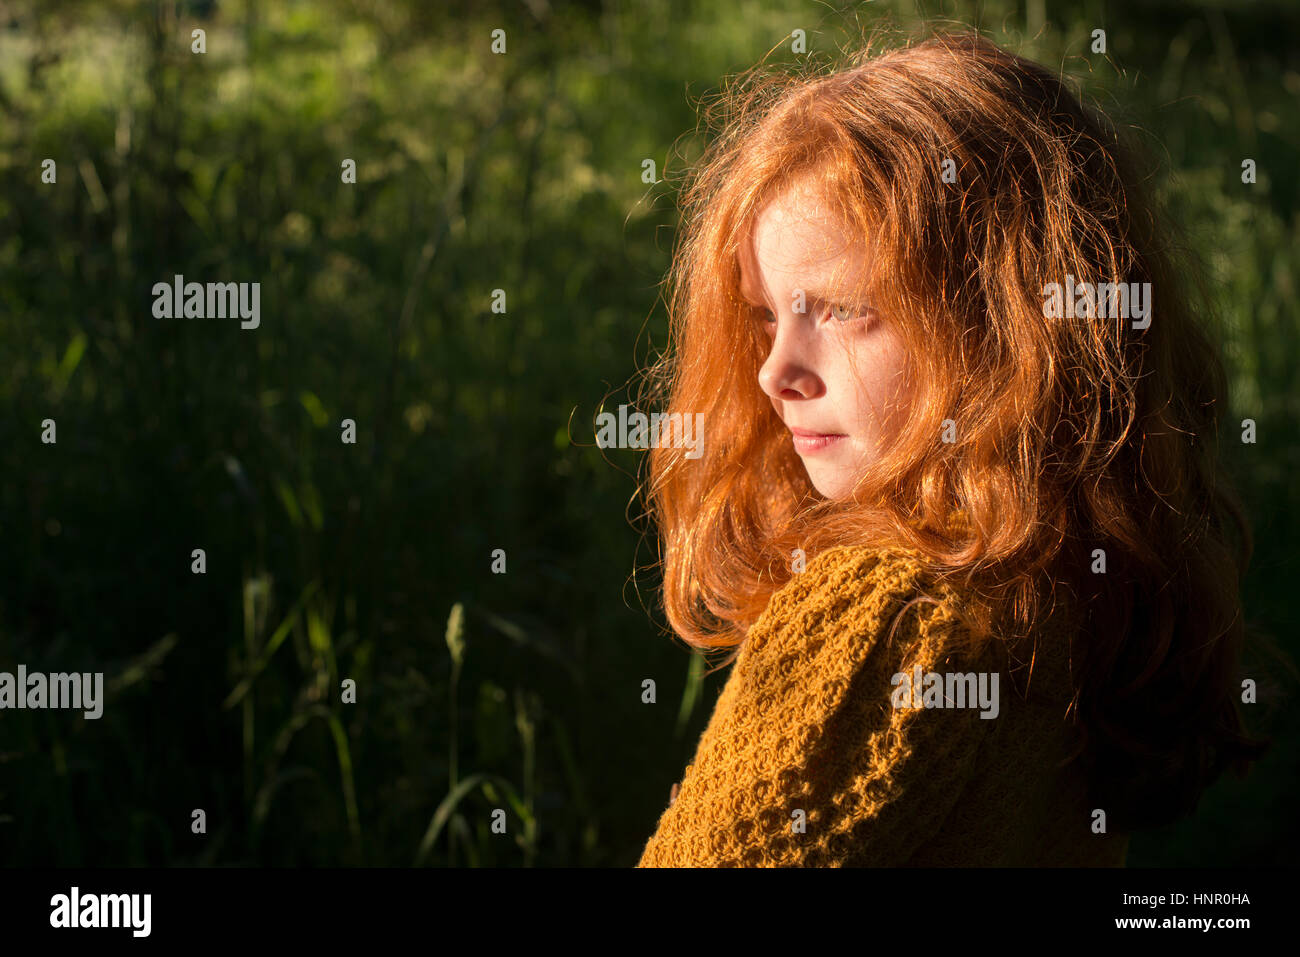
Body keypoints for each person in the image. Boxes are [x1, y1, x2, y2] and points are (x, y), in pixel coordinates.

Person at [632, 30, 1269, 867]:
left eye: (842, 309)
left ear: (1007, 334)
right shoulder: (1071, 589)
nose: (774, 371)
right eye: (764, 314)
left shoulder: (887, 619)